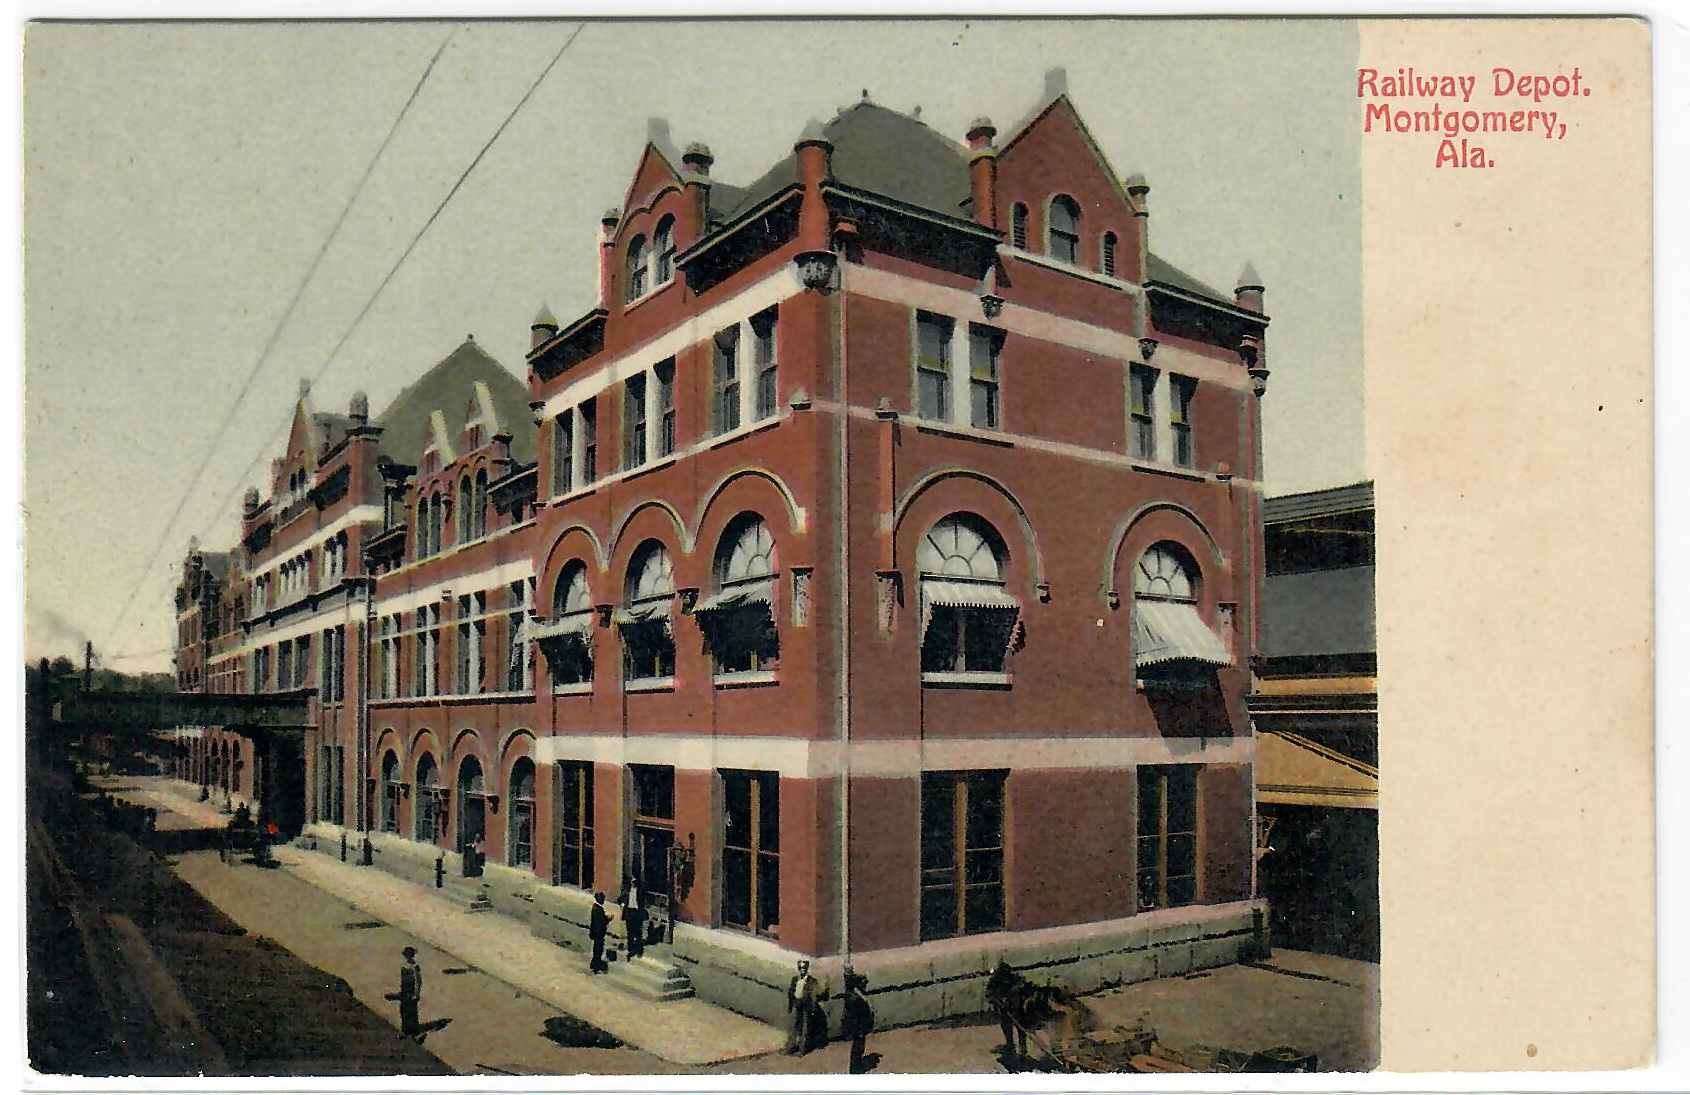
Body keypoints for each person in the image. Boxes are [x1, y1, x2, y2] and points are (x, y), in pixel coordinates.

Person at [986, 959, 1026, 1060]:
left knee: (1018, 1028)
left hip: (1015, 1008)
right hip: (1007, 1009)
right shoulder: (997, 982)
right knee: (1009, 1028)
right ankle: (1013, 1045)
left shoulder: (1013, 981)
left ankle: (1020, 1047)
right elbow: (990, 994)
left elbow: (1021, 990)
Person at [840, 968, 875, 1073]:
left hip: (860, 1027)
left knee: (859, 1047)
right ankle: (856, 1068)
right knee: (857, 1048)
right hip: (858, 1027)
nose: (865, 985)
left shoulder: (857, 995)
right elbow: (856, 1015)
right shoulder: (856, 998)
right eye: (863, 983)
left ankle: (856, 1066)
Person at [384, 946, 423, 1039]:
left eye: (409, 955)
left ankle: (413, 1032)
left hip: (411, 991)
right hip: (404, 990)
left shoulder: (415, 967)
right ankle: (406, 1030)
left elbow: (418, 981)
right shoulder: (405, 966)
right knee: (404, 1011)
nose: (408, 957)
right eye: (407, 956)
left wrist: (416, 994)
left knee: (411, 1012)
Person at [785, 959, 821, 1055]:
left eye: (804, 968)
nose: (802, 970)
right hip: (797, 1004)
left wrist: (812, 1008)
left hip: (806, 1005)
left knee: (805, 1028)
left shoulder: (812, 981)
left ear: (807, 968)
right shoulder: (795, 979)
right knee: (795, 1026)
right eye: (800, 968)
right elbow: (791, 992)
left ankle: (802, 1049)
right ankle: (792, 1046)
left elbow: (814, 995)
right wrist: (790, 1005)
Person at [620, 874, 648, 959]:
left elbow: (643, 899)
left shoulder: (640, 890)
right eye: (632, 882)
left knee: (638, 932)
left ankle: (639, 950)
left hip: (637, 912)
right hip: (629, 912)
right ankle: (630, 949)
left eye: (635, 882)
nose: (633, 883)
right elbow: (621, 898)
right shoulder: (627, 890)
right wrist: (622, 904)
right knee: (629, 932)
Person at [587, 892, 611, 974]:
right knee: (598, 949)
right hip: (599, 933)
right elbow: (601, 921)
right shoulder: (598, 909)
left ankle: (594, 964)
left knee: (596, 949)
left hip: (596, 932)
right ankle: (596, 965)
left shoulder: (596, 908)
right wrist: (608, 919)